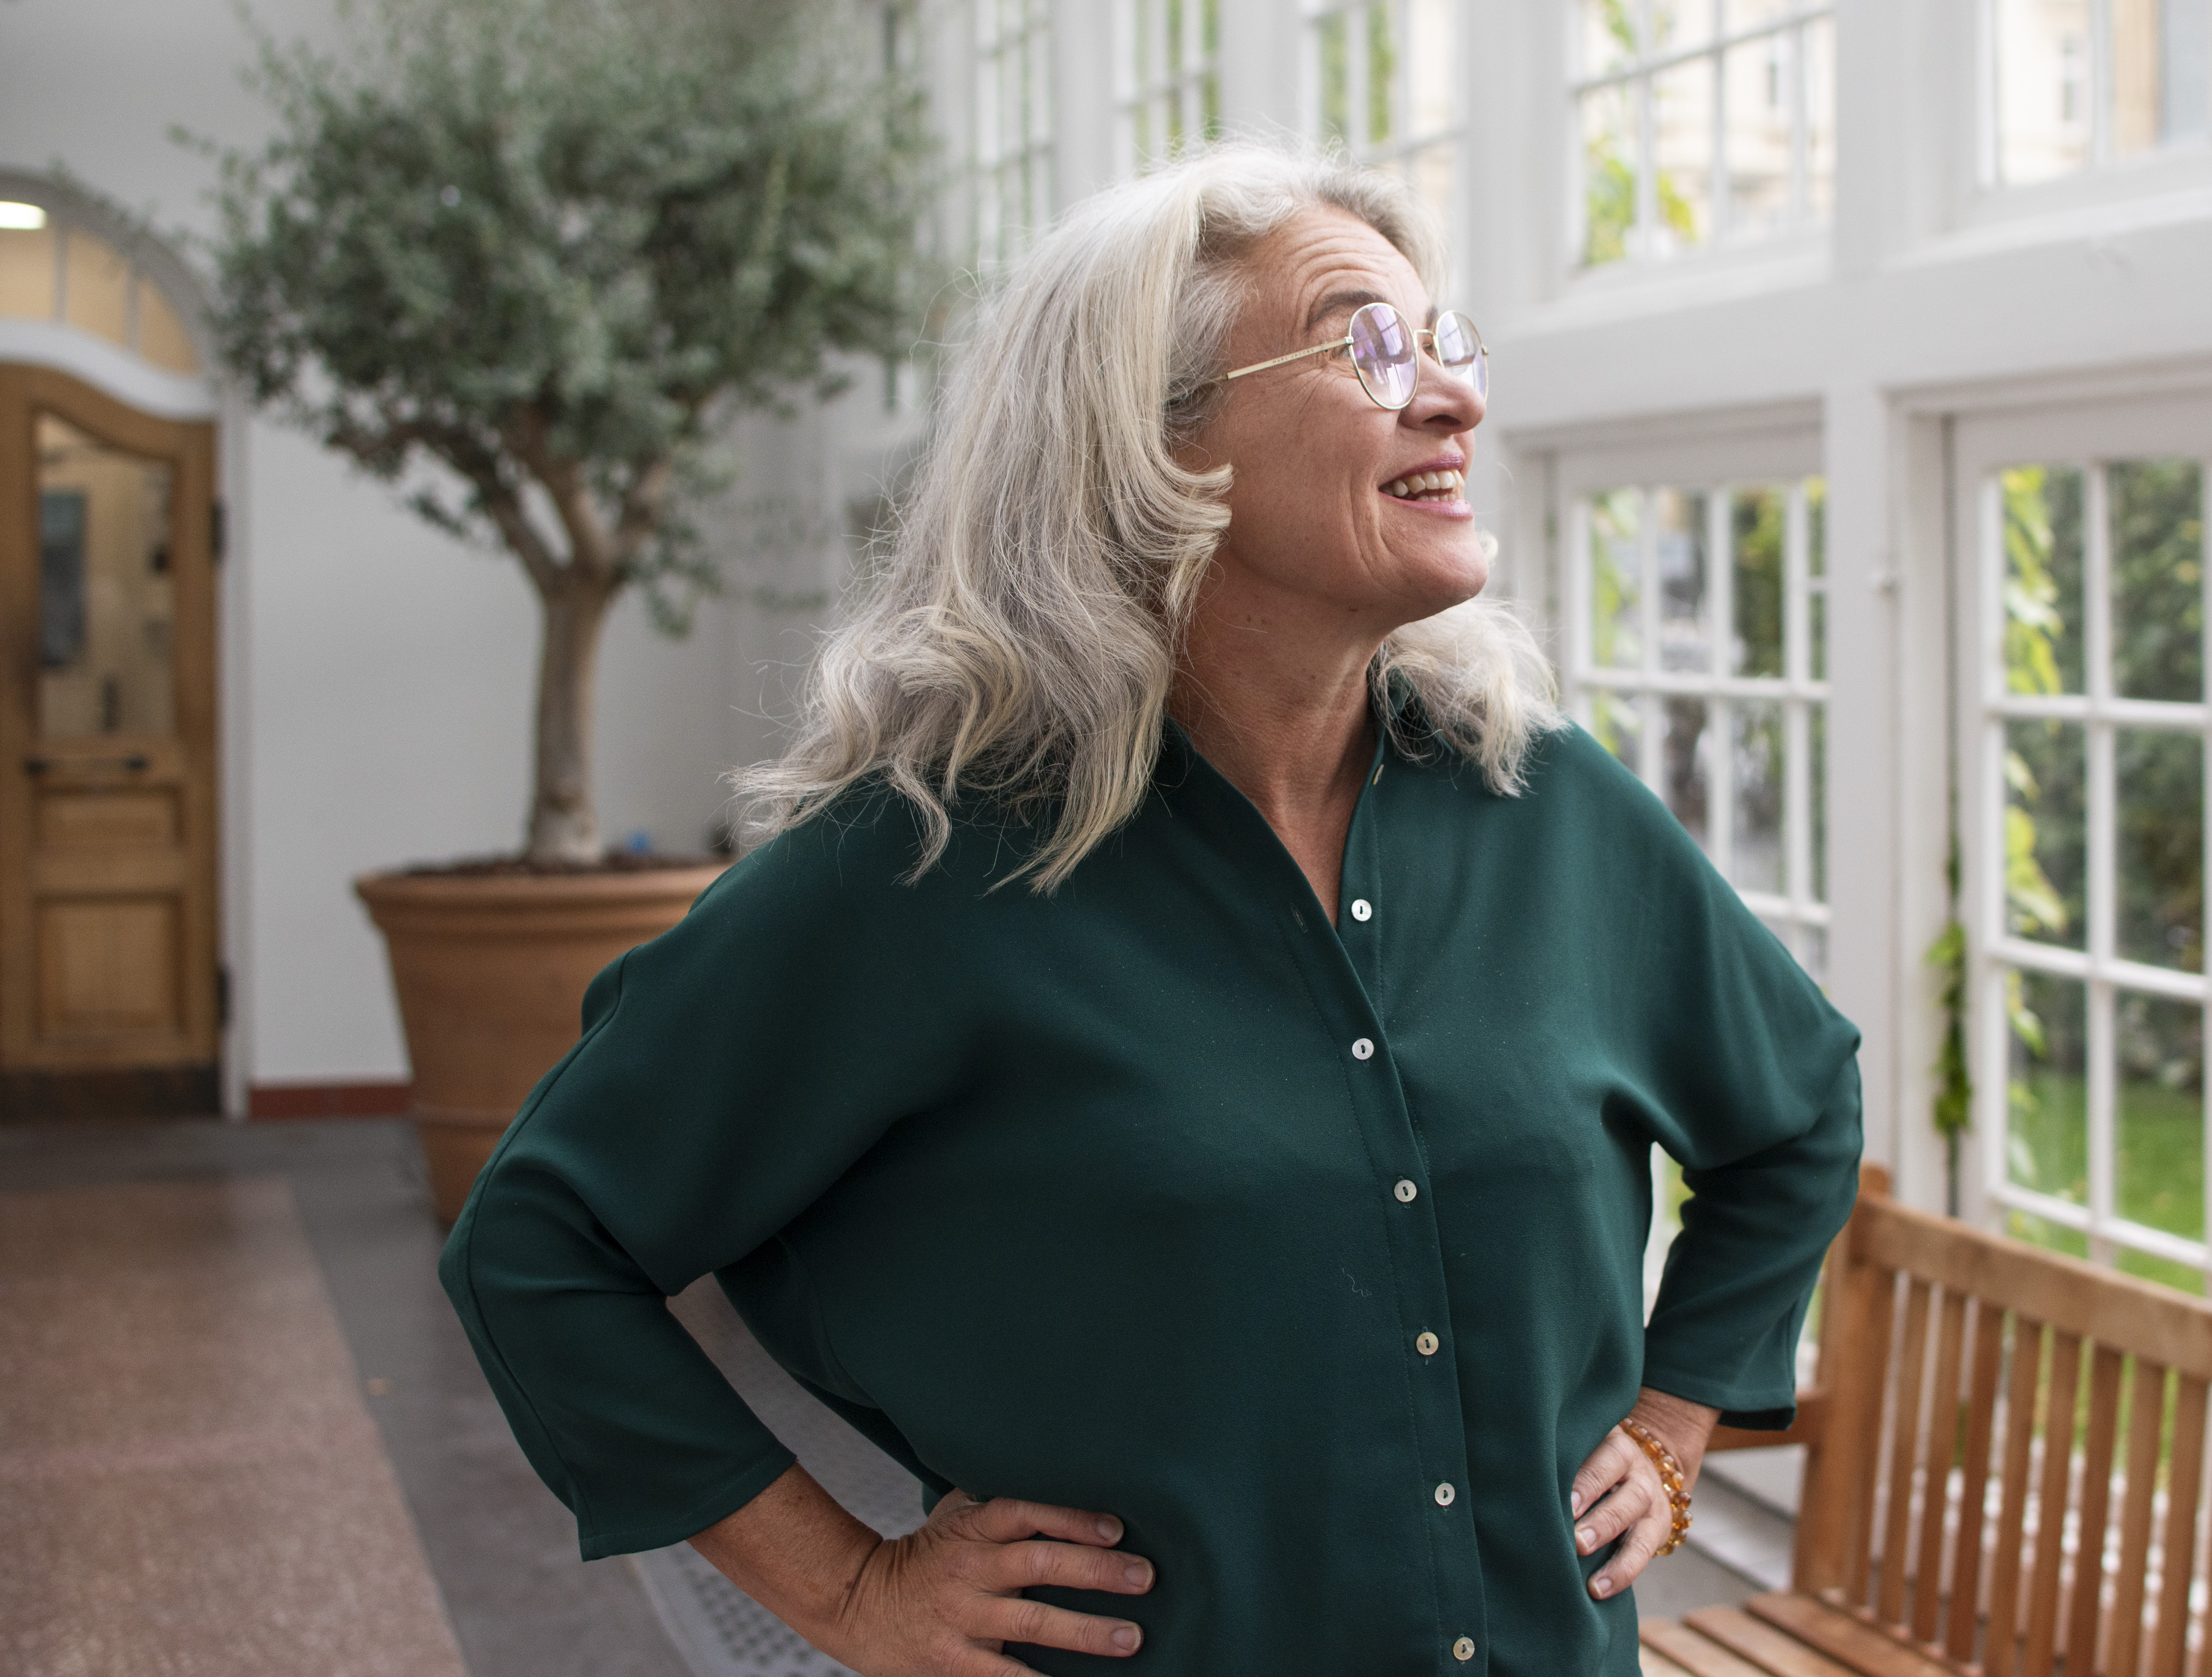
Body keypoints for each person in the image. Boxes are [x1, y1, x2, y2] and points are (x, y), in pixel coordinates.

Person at [441, 145, 1862, 1677]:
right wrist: (851, 1591)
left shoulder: (1554, 812)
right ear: (1157, 447)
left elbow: (1797, 1109)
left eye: (1445, 341)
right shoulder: (926, 867)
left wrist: (1673, 1420)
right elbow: (542, 1242)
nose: (1454, 396)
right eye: (1368, 344)